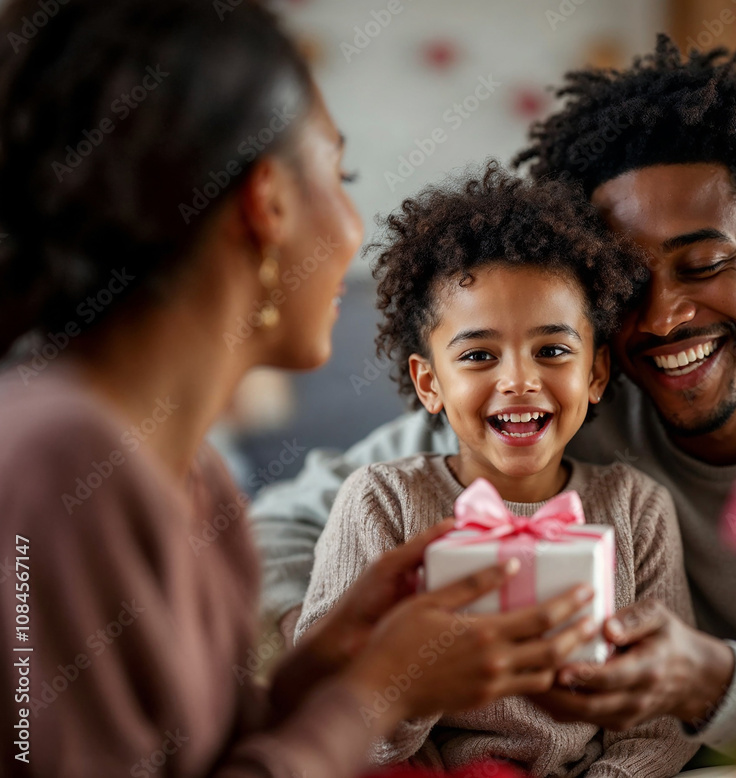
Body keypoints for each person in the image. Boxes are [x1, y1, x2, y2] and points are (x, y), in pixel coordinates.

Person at [251, 36, 736, 758]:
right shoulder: (565, 400)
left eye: (703, 264)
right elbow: (283, 521)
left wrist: (707, 680)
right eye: (627, 281)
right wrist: (332, 661)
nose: (664, 315)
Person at [0, 1, 597, 775]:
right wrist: (378, 695)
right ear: (269, 203)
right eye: (339, 176)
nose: (356, 228)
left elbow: (192, 752)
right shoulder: (59, 461)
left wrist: (319, 677)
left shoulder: (198, 479)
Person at [296, 164, 699, 777]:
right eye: (479, 355)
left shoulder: (637, 508)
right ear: (429, 382)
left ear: (594, 375)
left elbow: (664, 720)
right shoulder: (382, 501)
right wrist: (414, 685)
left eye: (553, 351)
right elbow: (320, 714)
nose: (517, 380)